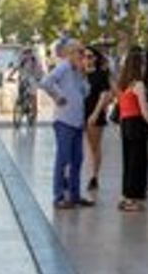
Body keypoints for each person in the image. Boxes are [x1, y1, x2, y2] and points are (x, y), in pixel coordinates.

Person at [43, 39, 94, 210]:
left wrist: (84, 75)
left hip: (77, 120)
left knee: (77, 159)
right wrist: (57, 96)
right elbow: (46, 82)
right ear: (71, 53)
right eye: (80, 53)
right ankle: (59, 196)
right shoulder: (63, 67)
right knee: (63, 159)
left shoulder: (77, 71)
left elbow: (85, 92)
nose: (83, 57)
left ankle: (74, 194)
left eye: (83, 54)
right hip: (64, 120)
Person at [114, 52, 148, 212]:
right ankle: (133, 197)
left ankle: (126, 196)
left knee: (128, 160)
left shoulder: (124, 84)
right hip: (137, 123)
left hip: (125, 123)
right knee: (138, 161)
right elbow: (144, 110)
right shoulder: (139, 85)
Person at [82, 46, 112, 198]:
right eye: (84, 56)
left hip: (94, 114)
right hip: (78, 114)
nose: (86, 59)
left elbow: (105, 95)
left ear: (95, 58)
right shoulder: (79, 74)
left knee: (94, 146)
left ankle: (94, 176)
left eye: (89, 56)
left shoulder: (100, 75)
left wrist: (95, 113)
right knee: (79, 146)